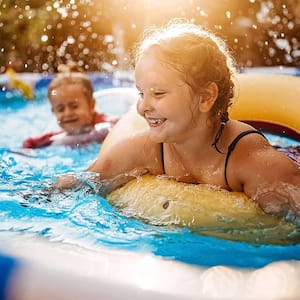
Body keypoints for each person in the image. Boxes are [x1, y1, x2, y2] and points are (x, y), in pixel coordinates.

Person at [57, 20, 300, 219]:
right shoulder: (146, 150)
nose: (143, 107)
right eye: (141, 93)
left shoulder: (252, 162)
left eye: (158, 93)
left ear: (206, 97)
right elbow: (82, 183)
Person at [22, 63, 118, 149]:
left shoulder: (106, 125)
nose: (67, 113)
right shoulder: (60, 136)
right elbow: (29, 143)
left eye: (74, 106)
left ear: (91, 105)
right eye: (60, 109)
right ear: (53, 112)